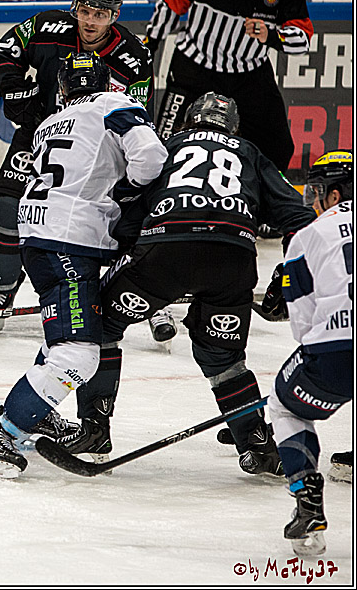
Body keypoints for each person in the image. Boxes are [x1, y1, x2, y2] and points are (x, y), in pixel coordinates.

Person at [55, 93, 317, 470]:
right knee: (223, 357)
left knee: (101, 327)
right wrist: (287, 275)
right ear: (234, 128)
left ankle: (95, 428)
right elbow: (300, 219)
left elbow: (128, 215)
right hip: (233, 261)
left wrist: (119, 256)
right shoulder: (250, 153)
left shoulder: (168, 146)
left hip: (165, 255)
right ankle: (255, 442)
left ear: (187, 121)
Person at [0, 52, 168, 479]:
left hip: (38, 237)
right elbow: (150, 155)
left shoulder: (48, 123)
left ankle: (34, 415)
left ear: (62, 89)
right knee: (77, 354)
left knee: (63, 342)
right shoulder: (114, 105)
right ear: (108, 83)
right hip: (70, 242)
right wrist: (128, 191)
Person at [0, 0, 178, 345]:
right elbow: (8, 47)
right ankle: (0, 292)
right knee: (7, 207)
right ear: (75, 8)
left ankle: (150, 296)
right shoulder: (48, 25)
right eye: (85, 11)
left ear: (114, 16)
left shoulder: (133, 57)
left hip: (101, 143)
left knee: (129, 212)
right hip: (43, 134)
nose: (90, 20)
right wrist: (15, 91)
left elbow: (138, 113)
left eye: (100, 13)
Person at [144, 0, 313, 173]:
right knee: (165, 143)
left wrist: (271, 36)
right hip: (194, 68)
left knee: (279, 147)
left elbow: (302, 39)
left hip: (249, 74)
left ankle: (262, 203)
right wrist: (149, 46)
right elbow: (171, 2)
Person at [265, 150, 352, 556]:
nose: (313, 201)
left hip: (337, 348)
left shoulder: (308, 236)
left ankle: (308, 503)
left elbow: (303, 327)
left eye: (317, 192)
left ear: (335, 196)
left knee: (286, 408)